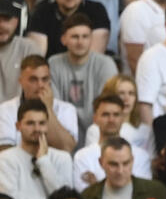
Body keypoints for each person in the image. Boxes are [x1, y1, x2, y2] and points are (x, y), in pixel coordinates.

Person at [0, 99, 74, 199]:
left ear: (47, 125)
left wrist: (44, 161)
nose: (37, 129)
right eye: (30, 123)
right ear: (18, 126)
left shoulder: (62, 158)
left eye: (41, 123)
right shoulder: (4, 159)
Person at [48, 13, 118, 144]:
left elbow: (107, 107)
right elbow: (55, 108)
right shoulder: (53, 64)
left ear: (91, 38)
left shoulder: (106, 64)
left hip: (98, 136)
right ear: (64, 39)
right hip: (62, 136)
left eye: (85, 37)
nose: (80, 42)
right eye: (75, 37)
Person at [0, 54, 79, 154]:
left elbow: (66, 148)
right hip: (17, 168)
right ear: (21, 81)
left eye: (44, 79)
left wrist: (48, 108)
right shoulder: (5, 109)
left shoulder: (66, 109)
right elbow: (4, 153)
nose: (40, 85)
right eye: (33, 80)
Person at [73, 101, 152, 194]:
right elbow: (85, 194)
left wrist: (96, 183)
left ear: (123, 118)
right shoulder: (82, 156)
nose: (111, 119)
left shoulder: (141, 155)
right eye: (105, 115)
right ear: (95, 118)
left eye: (116, 115)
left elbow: (141, 191)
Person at [27, 0, 109, 57]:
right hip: (51, 67)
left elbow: (95, 57)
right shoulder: (42, 11)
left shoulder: (96, 10)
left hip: (88, 68)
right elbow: (37, 57)